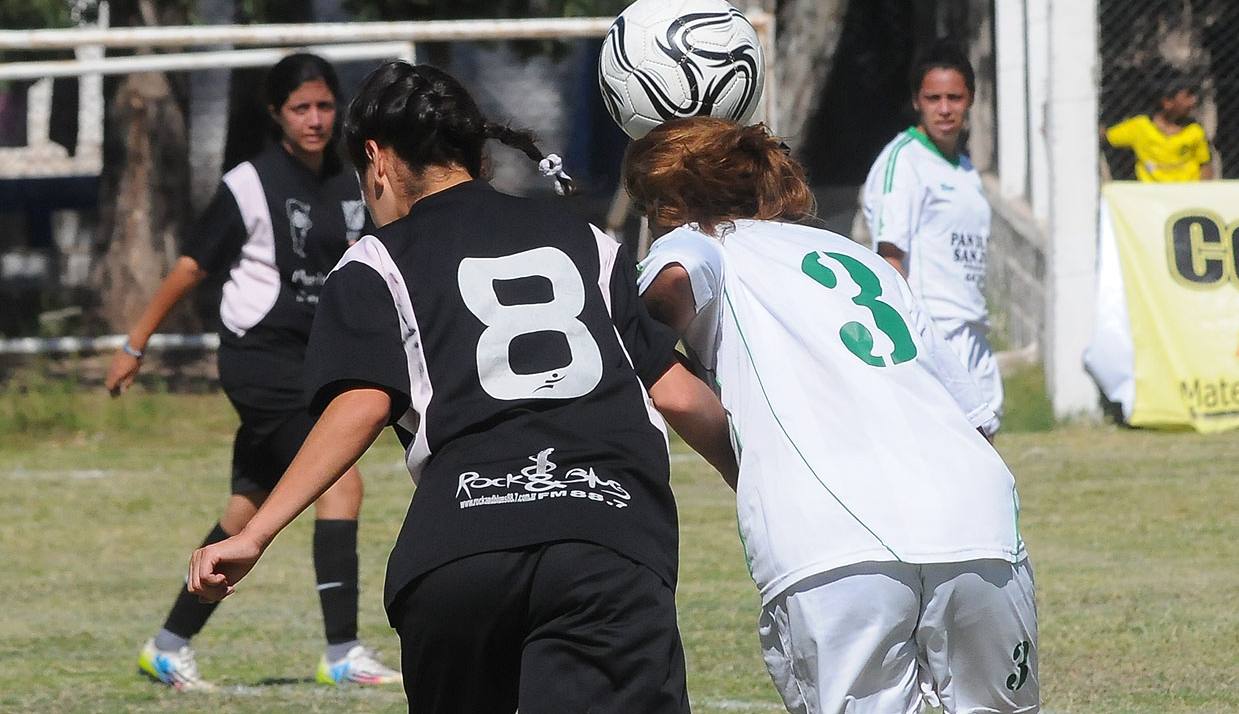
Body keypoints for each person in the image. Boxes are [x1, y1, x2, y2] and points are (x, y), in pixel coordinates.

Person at [186, 61, 732, 714]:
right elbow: (675, 393)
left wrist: (255, 533)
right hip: (604, 537)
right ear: (478, 155)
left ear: (376, 160)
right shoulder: (588, 242)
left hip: (458, 556)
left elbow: (360, 404)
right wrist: (760, 481)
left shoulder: (374, 263)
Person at [625, 116, 1038, 714]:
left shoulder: (700, 239)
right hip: (976, 523)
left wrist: (639, 337)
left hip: (830, 540)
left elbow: (672, 287)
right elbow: (973, 416)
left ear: (672, 199)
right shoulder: (859, 258)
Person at [105, 53, 400, 690]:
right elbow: (189, 268)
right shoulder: (250, 182)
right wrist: (135, 345)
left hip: (314, 359)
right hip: (261, 359)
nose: (316, 120)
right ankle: (343, 652)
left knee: (249, 506)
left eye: (325, 106)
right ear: (276, 114)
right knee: (340, 483)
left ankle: (167, 644)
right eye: (301, 108)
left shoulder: (354, 178)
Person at [861, 41, 1003, 417]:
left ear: (970, 99)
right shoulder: (904, 160)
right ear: (916, 101)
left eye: (954, 97)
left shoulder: (966, 169)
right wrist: (908, 337)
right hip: (935, 331)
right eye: (933, 97)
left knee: (987, 445)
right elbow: (890, 258)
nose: (944, 109)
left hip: (971, 326)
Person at [1102, 76, 1216, 182]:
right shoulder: (1140, 126)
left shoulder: (1195, 130)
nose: (1193, 100)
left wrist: (1200, 192)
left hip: (1186, 195)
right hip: (1152, 197)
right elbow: (1106, 136)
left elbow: (1205, 165)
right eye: (1188, 96)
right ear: (1167, 102)